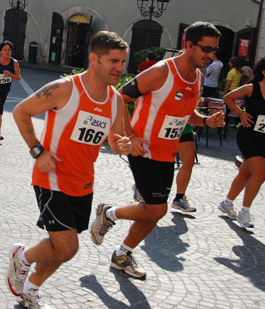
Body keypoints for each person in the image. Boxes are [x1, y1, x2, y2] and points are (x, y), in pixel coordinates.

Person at [5, 31, 132, 309]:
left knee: (62, 247)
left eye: (123, 61)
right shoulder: (65, 89)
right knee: (67, 247)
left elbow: (115, 136)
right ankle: (23, 256)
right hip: (52, 178)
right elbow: (21, 111)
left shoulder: (116, 100)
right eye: (114, 61)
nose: (120, 68)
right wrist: (38, 151)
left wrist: (121, 143)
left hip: (83, 182)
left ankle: (31, 289)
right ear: (94, 59)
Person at [89, 21, 225, 280]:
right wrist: (130, 134)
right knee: (157, 208)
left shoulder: (196, 76)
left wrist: (206, 121)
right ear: (189, 45)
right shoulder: (162, 71)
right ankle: (108, 213)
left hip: (166, 153)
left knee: (152, 212)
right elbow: (117, 97)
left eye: (215, 50)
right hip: (143, 150)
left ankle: (122, 254)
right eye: (206, 49)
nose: (211, 55)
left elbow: (186, 115)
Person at [219, 57, 265, 228]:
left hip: (263, 138)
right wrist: (240, 113)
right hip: (248, 136)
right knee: (260, 174)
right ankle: (244, 212)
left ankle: (227, 203)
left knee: (246, 173)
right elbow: (228, 97)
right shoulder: (251, 87)